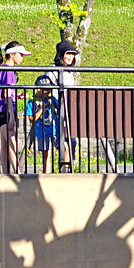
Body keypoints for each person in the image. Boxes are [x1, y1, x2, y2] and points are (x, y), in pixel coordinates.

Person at [31, 42, 80, 172]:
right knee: (58, 143)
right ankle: (56, 171)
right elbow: (45, 90)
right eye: (68, 54)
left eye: (72, 54)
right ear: (61, 55)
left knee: (70, 141)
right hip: (55, 111)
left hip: (67, 109)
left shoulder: (69, 72)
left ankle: (67, 170)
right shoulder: (52, 71)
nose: (71, 57)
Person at [0, 41, 29, 176]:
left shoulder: (2, 68)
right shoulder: (8, 70)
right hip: (6, 111)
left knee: (5, 146)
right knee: (12, 144)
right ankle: (19, 175)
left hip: (1, 110)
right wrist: (12, 115)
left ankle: (6, 174)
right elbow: (6, 92)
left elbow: (4, 91)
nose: (22, 58)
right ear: (11, 55)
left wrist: (17, 96)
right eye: (20, 54)